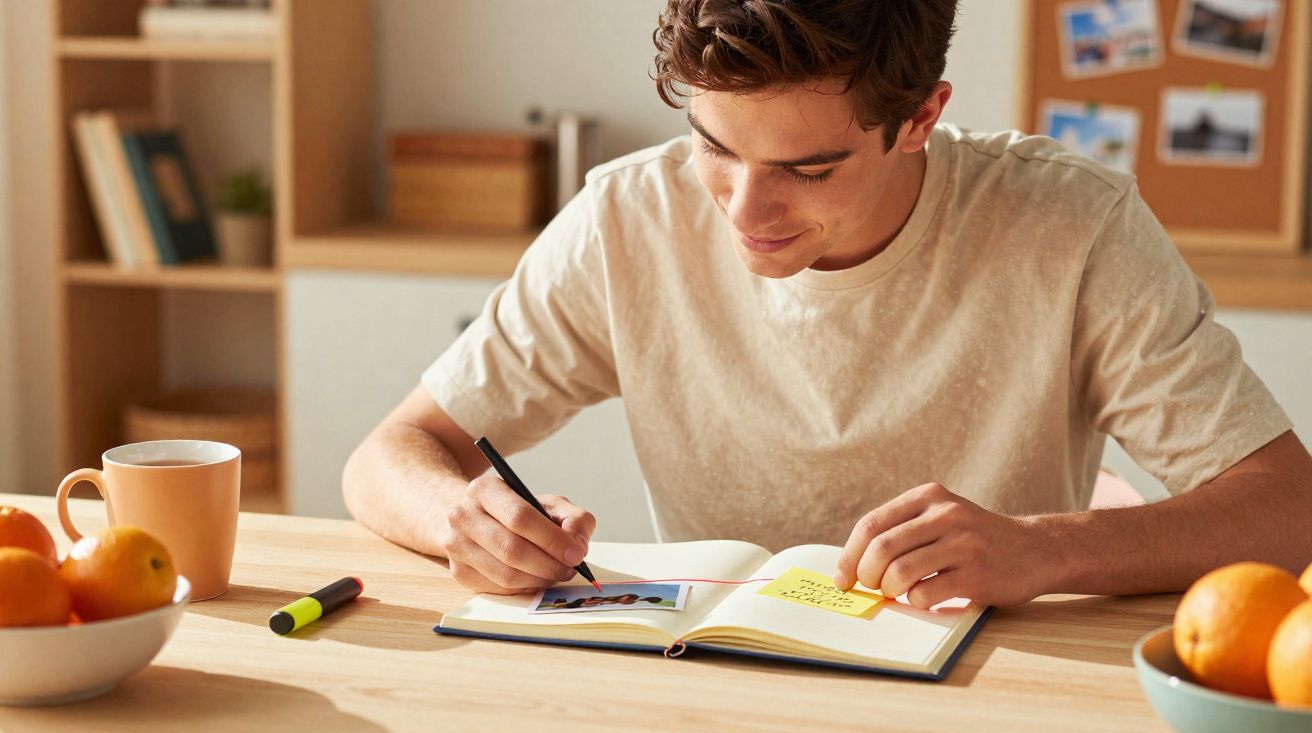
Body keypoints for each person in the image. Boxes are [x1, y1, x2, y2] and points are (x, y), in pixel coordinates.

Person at [343, 0, 1312, 608]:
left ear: (920, 118)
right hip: (716, 691)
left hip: (987, 692)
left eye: (808, 168)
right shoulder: (627, 219)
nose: (744, 209)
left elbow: (1288, 509)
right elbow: (388, 456)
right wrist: (458, 519)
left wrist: (1036, 550)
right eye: (715, 147)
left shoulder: (1070, 229)